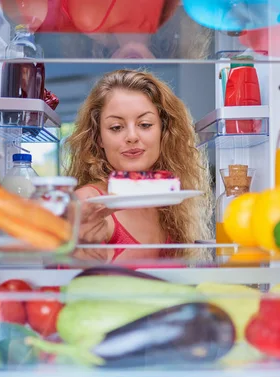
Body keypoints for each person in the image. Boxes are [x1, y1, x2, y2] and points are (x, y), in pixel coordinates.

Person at [64, 69, 212, 262]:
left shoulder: (170, 204)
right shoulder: (89, 201)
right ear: (98, 138)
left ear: (163, 131)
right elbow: (70, 282)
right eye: (116, 127)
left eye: (145, 124)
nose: (132, 137)